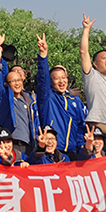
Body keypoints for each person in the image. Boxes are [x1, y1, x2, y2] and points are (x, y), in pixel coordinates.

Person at [35, 32, 87, 160]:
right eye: (56, 78)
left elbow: (81, 125)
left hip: (73, 151)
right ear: (51, 81)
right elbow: (43, 79)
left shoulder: (75, 101)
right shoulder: (48, 97)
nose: (61, 81)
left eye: (64, 77)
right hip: (53, 148)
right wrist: (43, 55)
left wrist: (80, 145)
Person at [0, 28, 40, 155]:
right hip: (12, 143)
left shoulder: (30, 98)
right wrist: (0, 53)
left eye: (19, 79)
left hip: (30, 144)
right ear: (7, 84)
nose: (17, 83)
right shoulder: (5, 98)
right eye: (13, 81)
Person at [80, 14, 106, 154]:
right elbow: (83, 52)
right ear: (95, 64)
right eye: (103, 58)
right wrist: (86, 29)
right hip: (97, 135)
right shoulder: (91, 76)